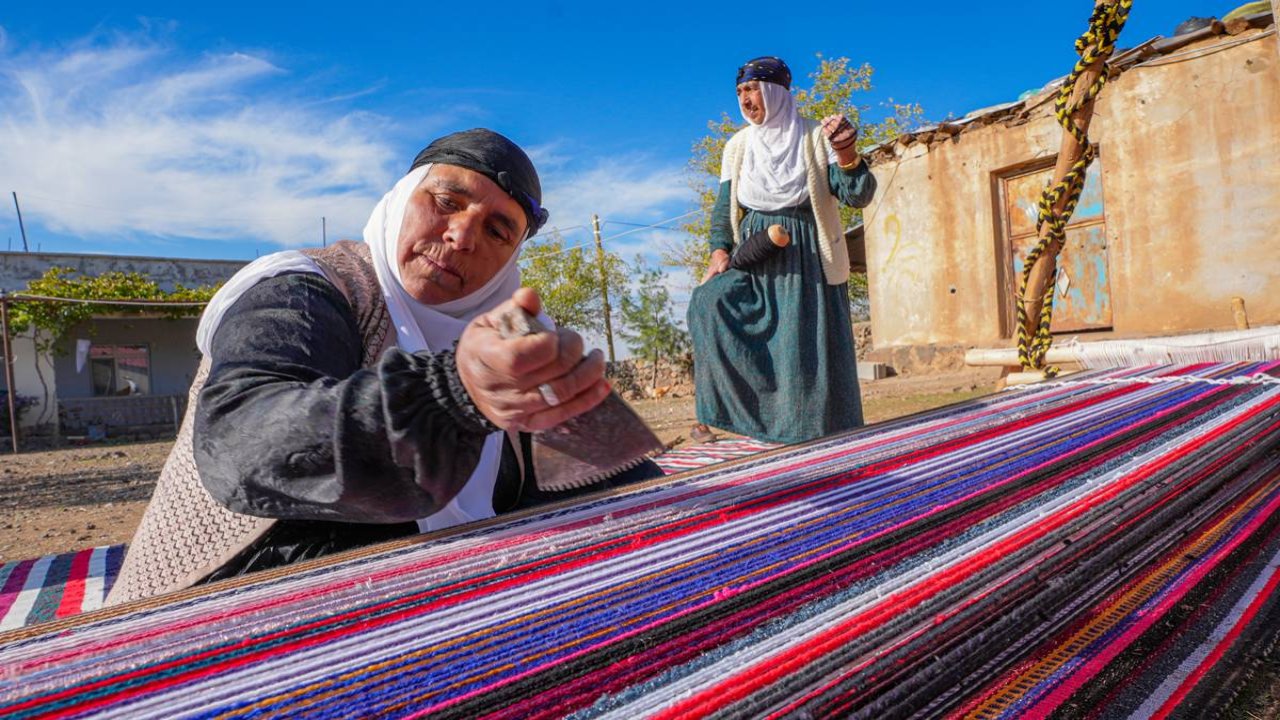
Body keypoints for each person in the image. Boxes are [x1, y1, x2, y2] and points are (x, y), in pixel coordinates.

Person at [107, 128, 660, 606]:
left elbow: (615, 477)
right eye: (446, 201)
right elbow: (243, 444)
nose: (462, 236)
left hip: (430, 604)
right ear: (400, 200)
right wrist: (453, 392)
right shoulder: (308, 288)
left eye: (497, 231)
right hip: (227, 609)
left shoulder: (509, 332)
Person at [687, 57, 877, 445]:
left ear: (775, 92)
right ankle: (752, 422)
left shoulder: (815, 136)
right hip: (754, 254)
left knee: (801, 348)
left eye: (752, 89)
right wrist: (719, 251)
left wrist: (846, 153)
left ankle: (817, 437)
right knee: (707, 303)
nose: (745, 99)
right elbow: (724, 209)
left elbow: (858, 195)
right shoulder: (737, 147)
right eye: (739, 92)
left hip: (807, 254)